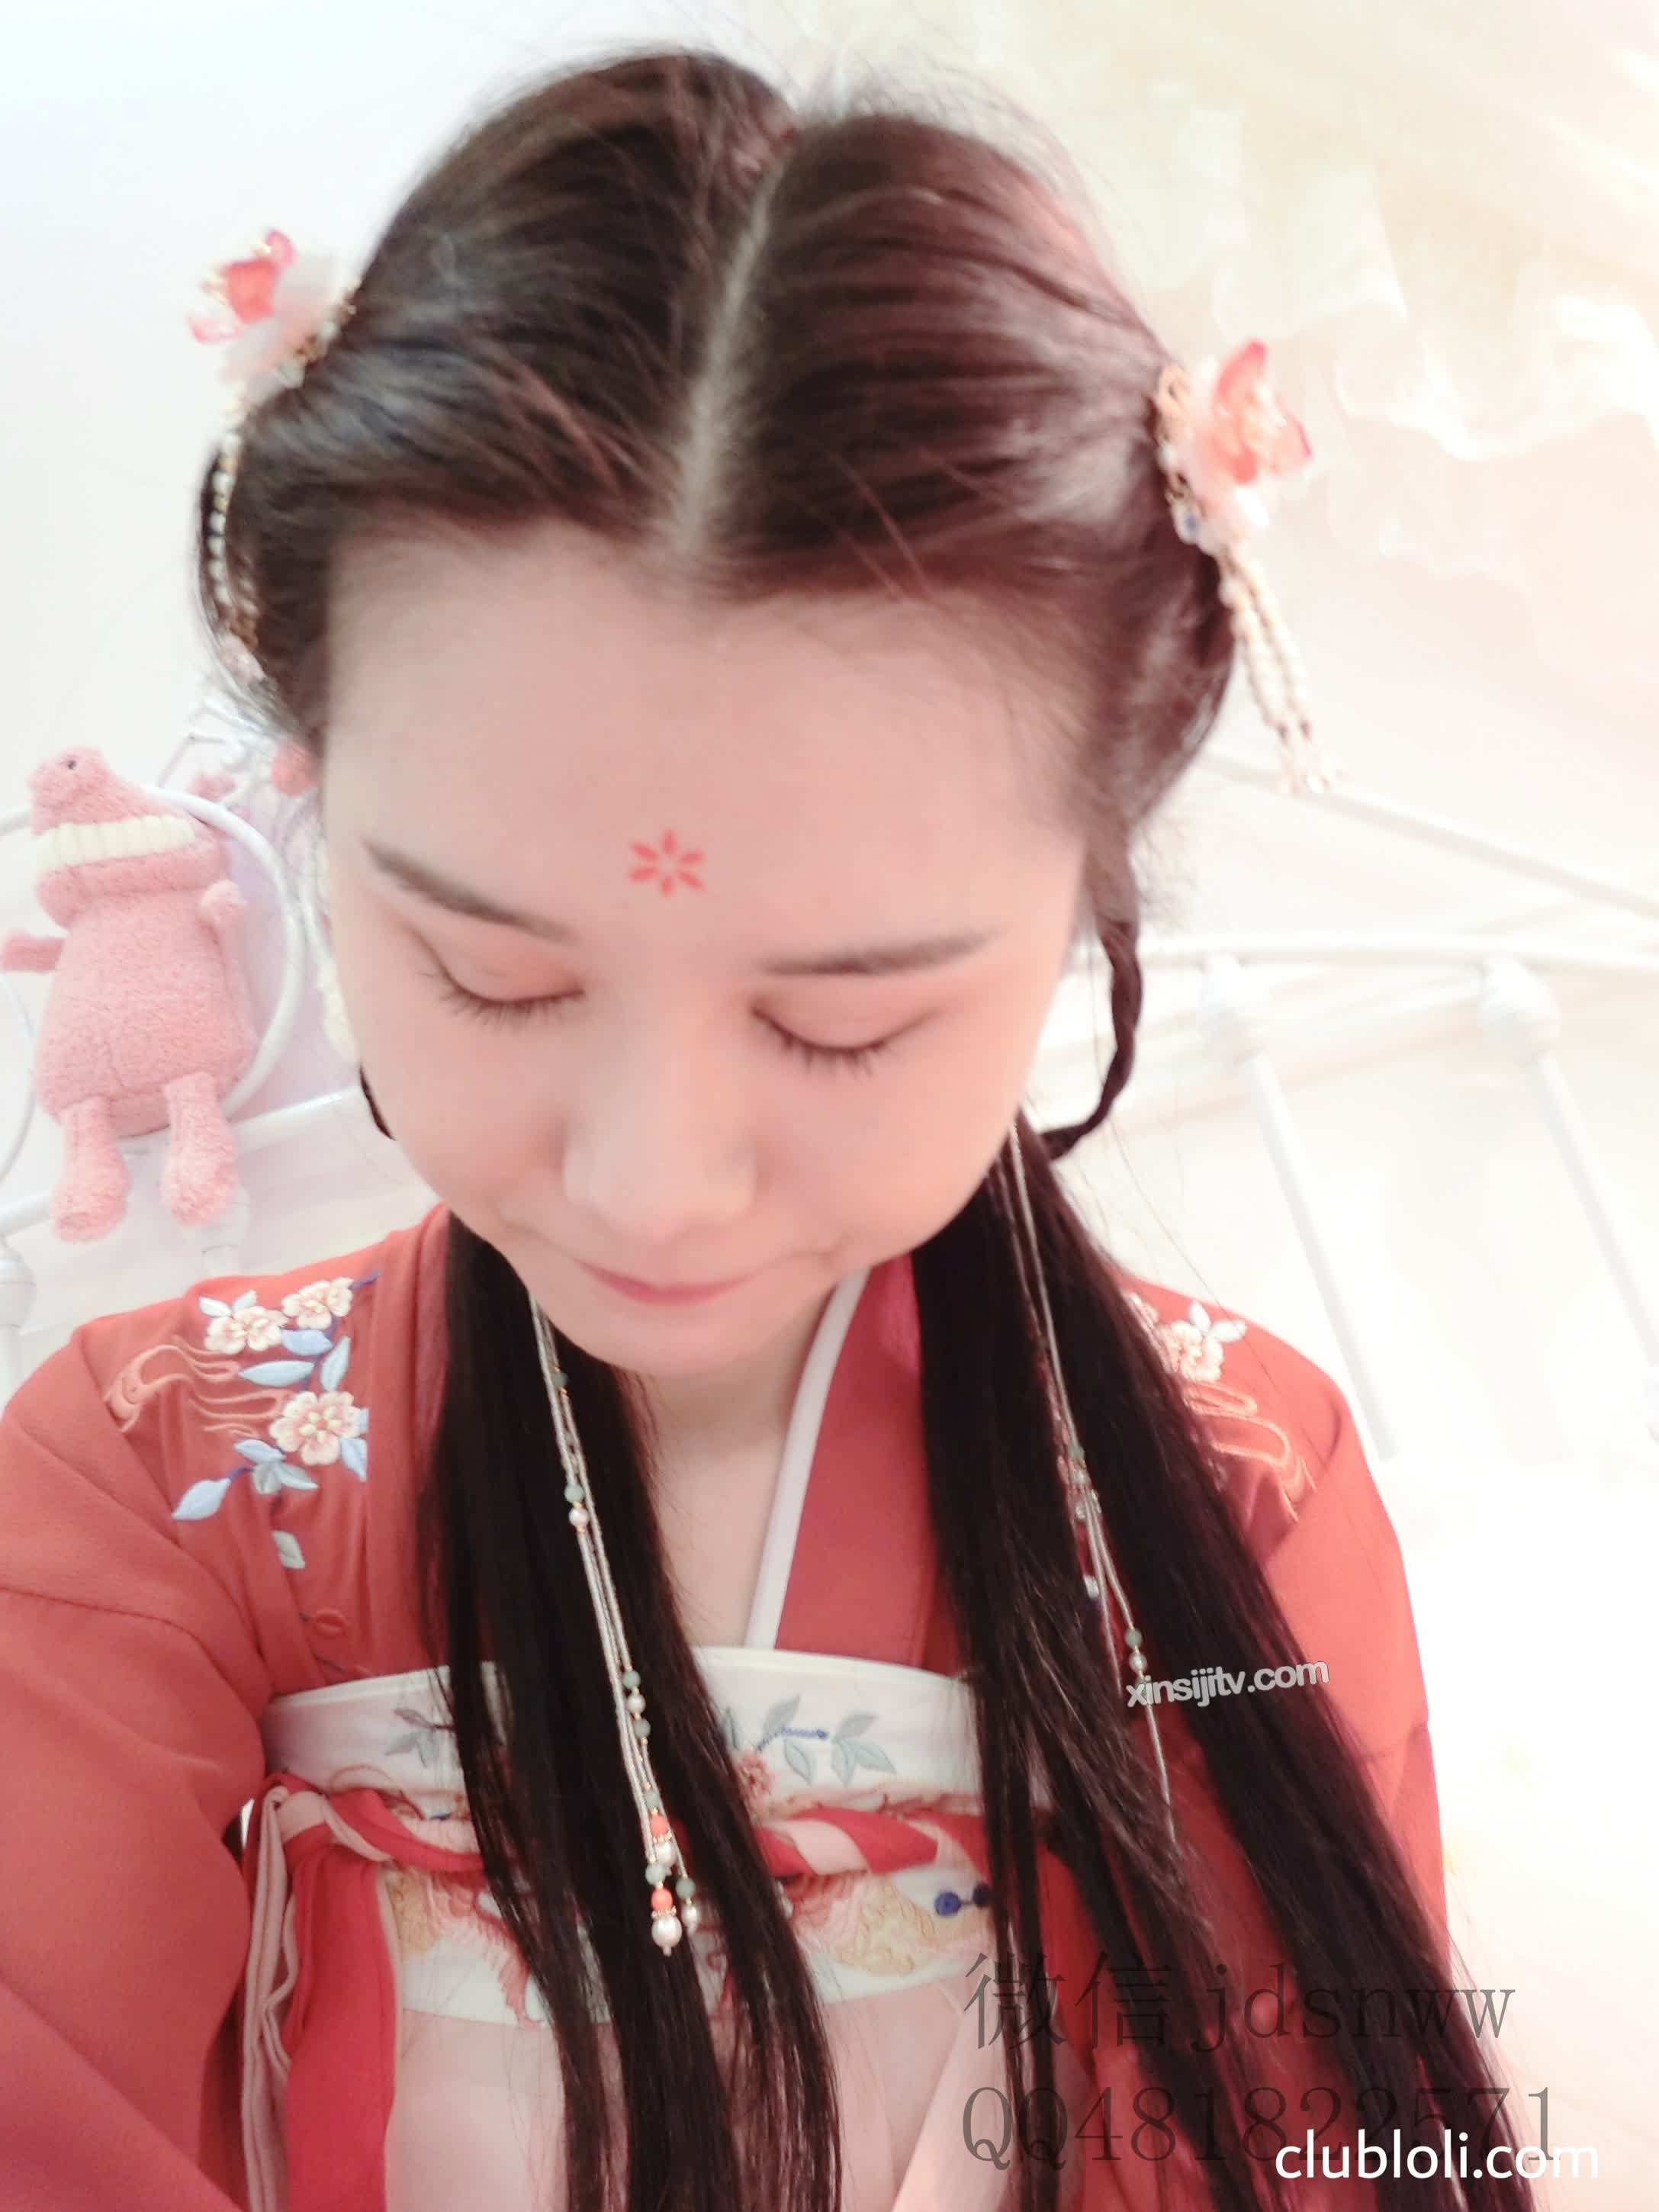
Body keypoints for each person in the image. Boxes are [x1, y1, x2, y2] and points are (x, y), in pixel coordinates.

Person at [0, 43, 1536, 2212]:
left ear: (1087, 906)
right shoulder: (154, 1484)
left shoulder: (1233, 1495)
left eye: (842, 1021)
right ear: (310, 804)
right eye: (494, 976)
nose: (651, 1178)